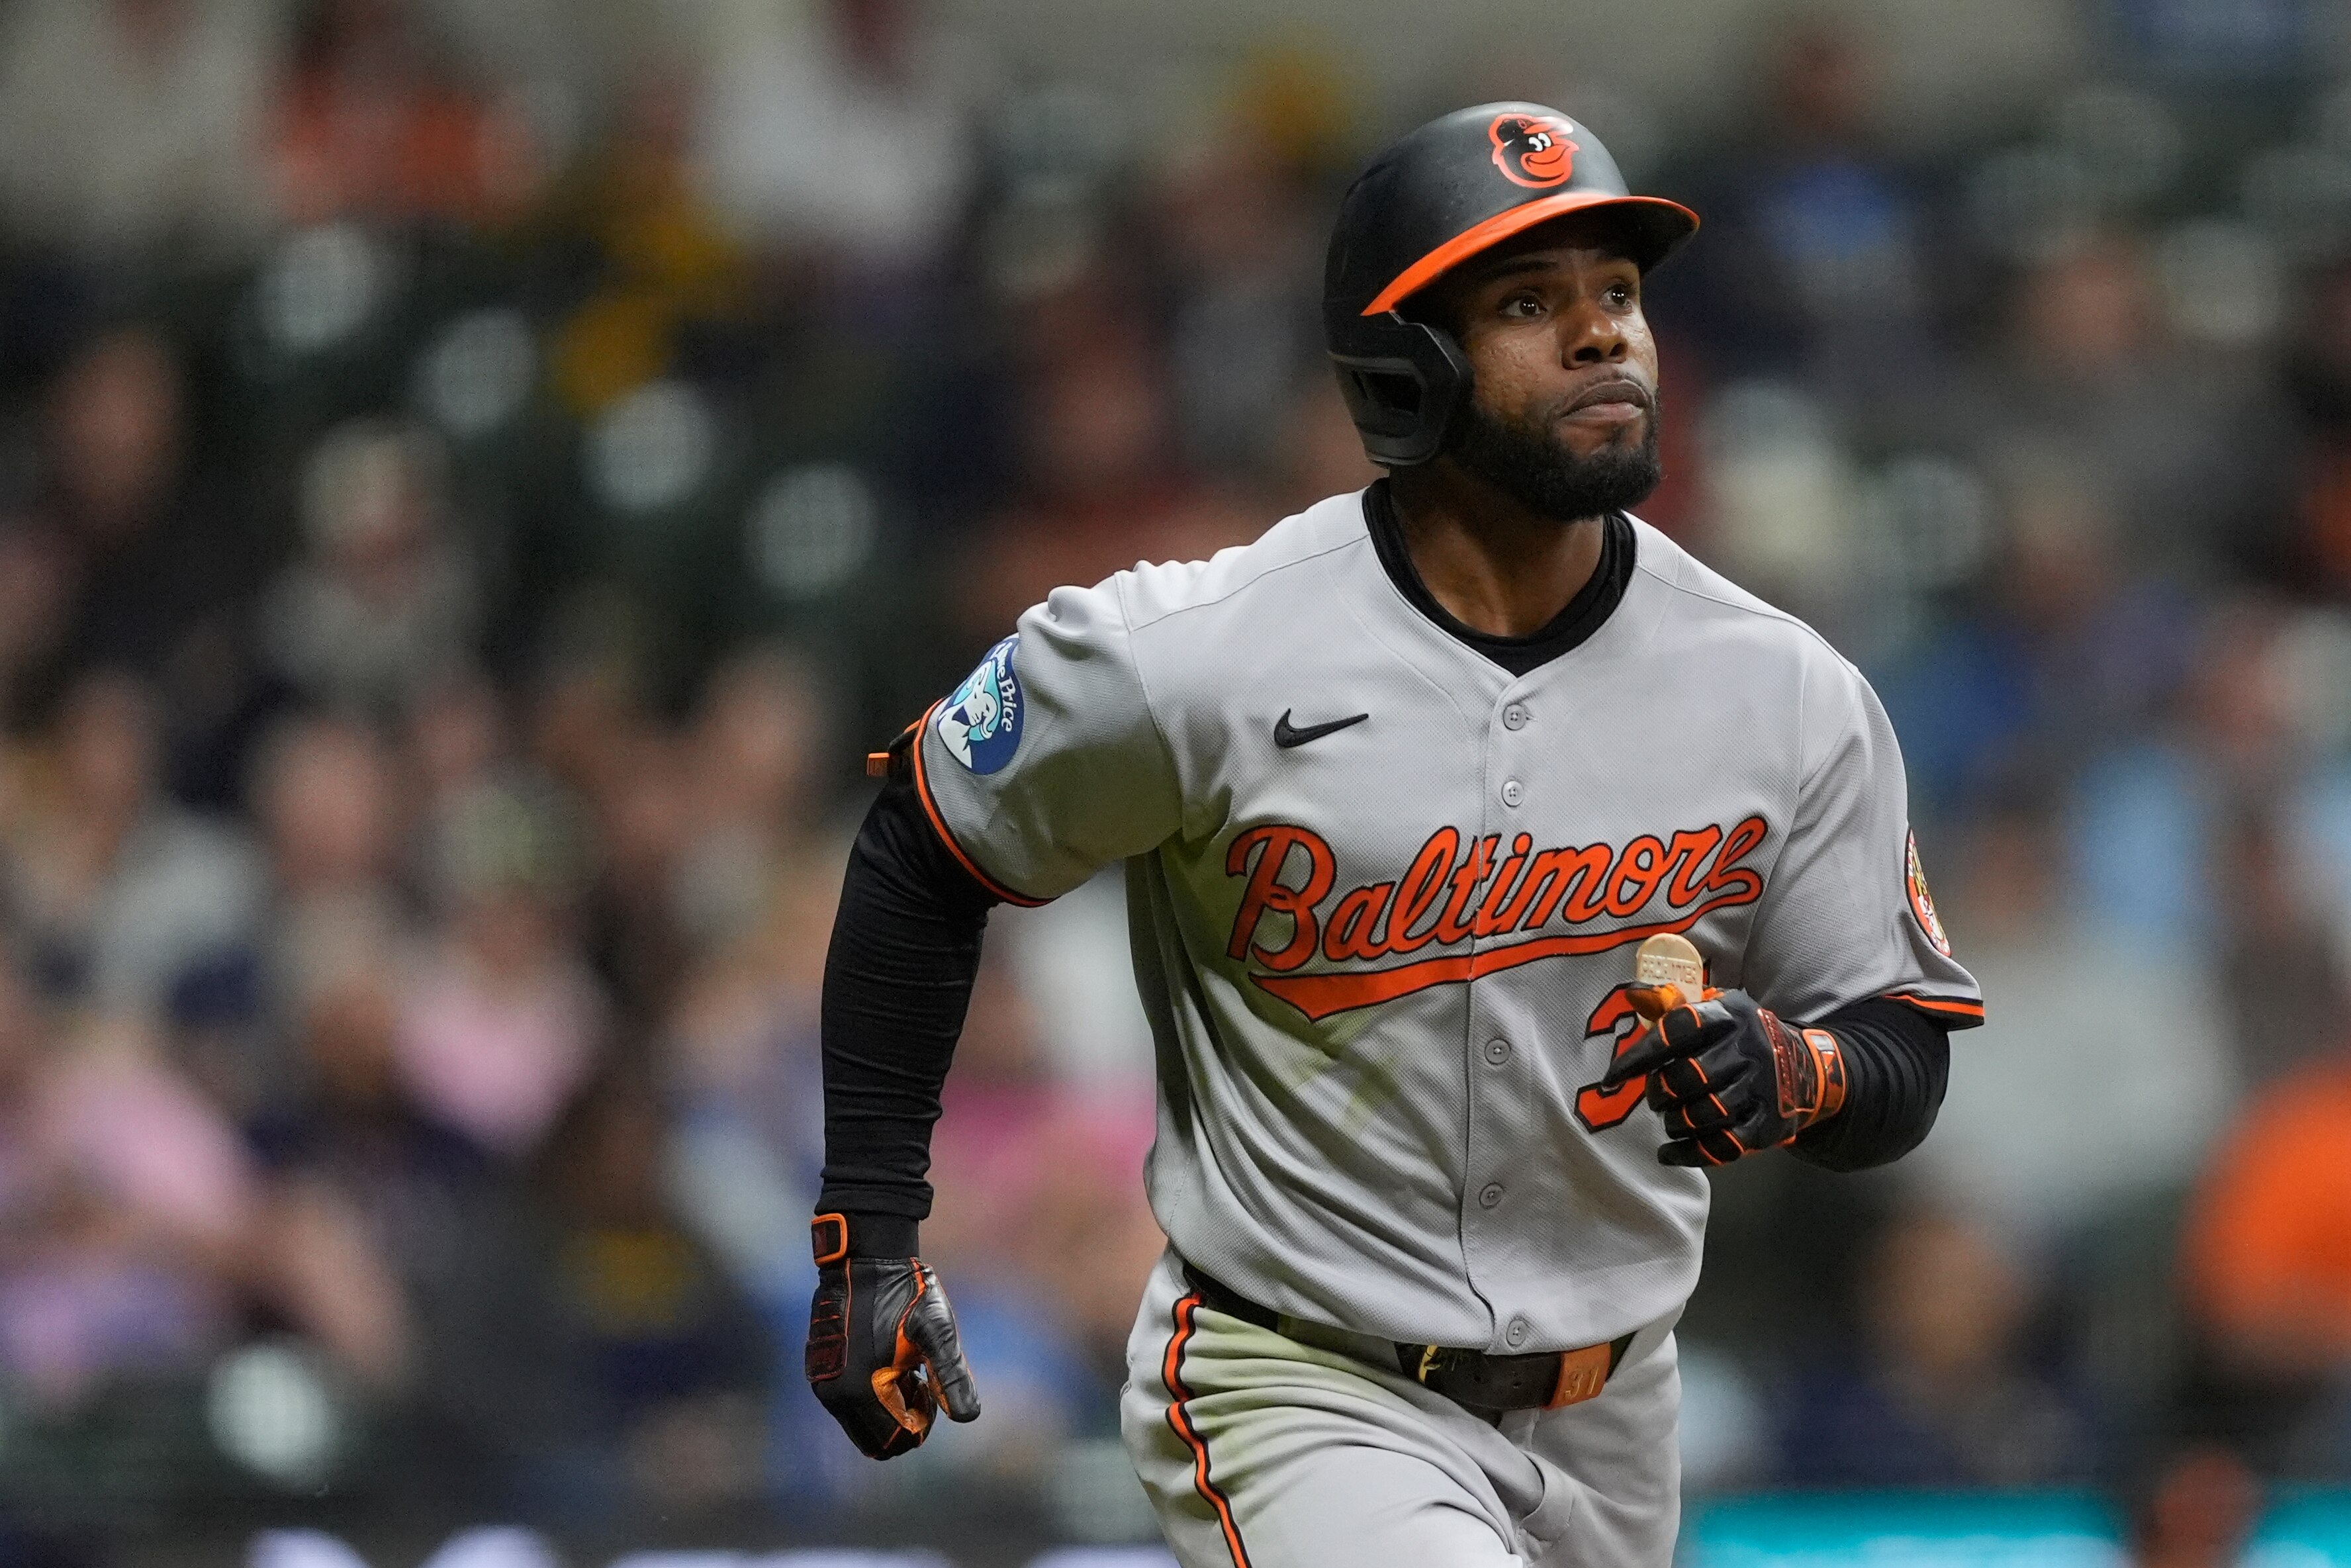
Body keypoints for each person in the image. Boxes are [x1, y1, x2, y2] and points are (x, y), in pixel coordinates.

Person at [803, 104, 1982, 1567]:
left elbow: (1903, 1046)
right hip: (1299, 1380)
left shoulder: (1783, 688)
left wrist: (1794, 1073)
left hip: (1619, 1410)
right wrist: (872, 1229)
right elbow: (925, 837)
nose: (1604, 336)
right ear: (1406, 371)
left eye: (1617, 295)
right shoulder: (1197, 653)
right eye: (1530, 306)